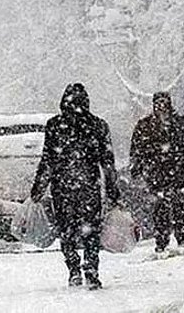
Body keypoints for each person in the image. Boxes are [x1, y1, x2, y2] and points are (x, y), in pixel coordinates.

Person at [31, 83, 120, 290]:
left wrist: (38, 188)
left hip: (63, 188)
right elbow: (107, 162)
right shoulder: (98, 125)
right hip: (89, 187)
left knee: (67, 231)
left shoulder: (55, 125)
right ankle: (91, 270)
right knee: (91, 232)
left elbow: (48, 160)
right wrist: (113, 190)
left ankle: (73, 270)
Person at [130, 92, 184, 253]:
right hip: (157, 172)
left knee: (180, 205)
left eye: (164, 103)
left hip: (176, 170)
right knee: (160, 208)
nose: (161, 107)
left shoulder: (180, 123)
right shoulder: (146, 125)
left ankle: (182, 236)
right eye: (158, 104)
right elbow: (137, 149)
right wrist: (137, 167)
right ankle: (162, 239)